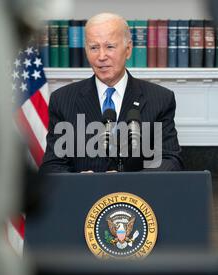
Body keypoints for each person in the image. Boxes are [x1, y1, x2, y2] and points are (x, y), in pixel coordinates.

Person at [40, 13, 183, 173]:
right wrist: (78, 181)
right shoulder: (62, 100)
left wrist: (128, 182)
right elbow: (52, 166)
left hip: (136, 196)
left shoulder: (160, 99)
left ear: (128, 50)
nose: (101, 56)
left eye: (110, 47)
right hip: (85, 196)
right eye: (94, 47)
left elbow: (170, 160)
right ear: (86, 51)